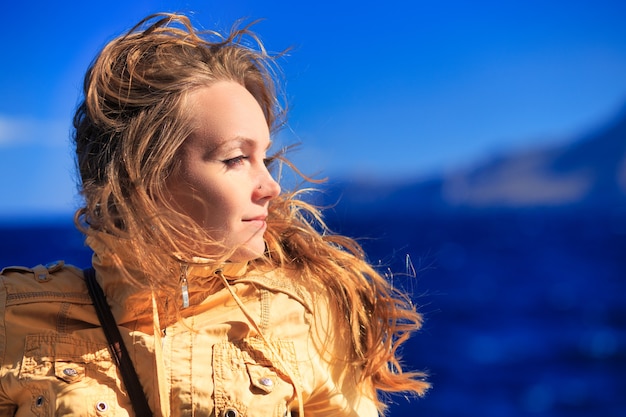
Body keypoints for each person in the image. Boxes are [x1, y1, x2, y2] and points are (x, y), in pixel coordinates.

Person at [0, 12, 429, 416]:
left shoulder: (305, 310)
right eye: (236, 158)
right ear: (142, 177)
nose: (271, 186)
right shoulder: (14, 313)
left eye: (266, 157)